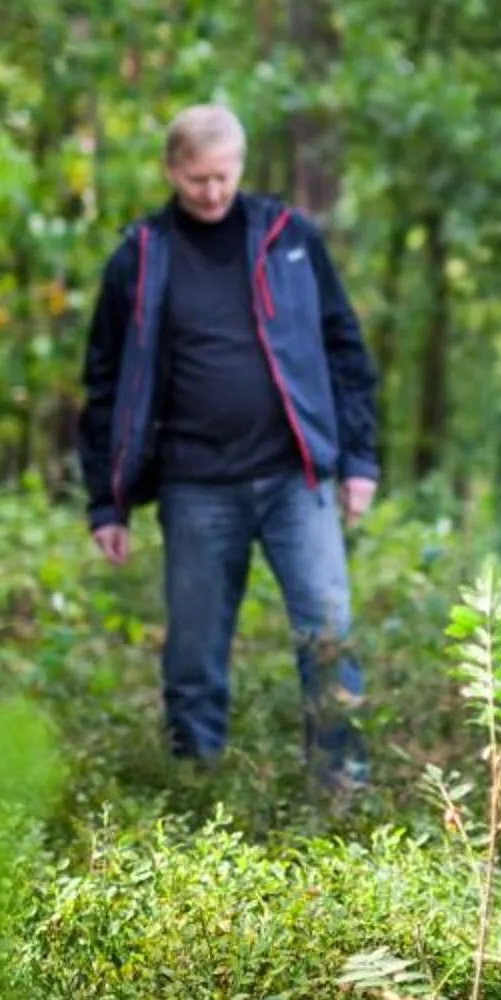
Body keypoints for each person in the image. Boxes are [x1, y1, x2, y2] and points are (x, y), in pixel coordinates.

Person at [77, 104, 381, 788]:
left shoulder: (289, 238)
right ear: (170, 171)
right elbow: (103, 383)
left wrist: (359, 461)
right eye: (195, 180)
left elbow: (345, 351)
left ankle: (343, 788)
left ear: (241, 166)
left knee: (328, 632)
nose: (210, 192)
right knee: (193, 654)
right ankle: (196, 789)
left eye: (222, 176)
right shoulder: (140, 256)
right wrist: (107, 502)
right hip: (194, 487)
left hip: (295, 479)